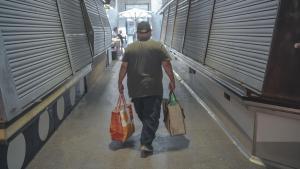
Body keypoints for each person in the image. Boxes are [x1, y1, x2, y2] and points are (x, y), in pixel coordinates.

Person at [118, 21, 175, 158]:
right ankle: (146, 142)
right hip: (153, 88)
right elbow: (166, 65)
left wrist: (119, 82)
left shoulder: (130, 48)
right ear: (150, 32)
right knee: (151, 117)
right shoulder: (158, 47)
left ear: (137, 33)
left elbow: (124, 67)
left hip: (135, 89)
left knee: (144, 114)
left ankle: (146, 142)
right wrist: (172, 80)